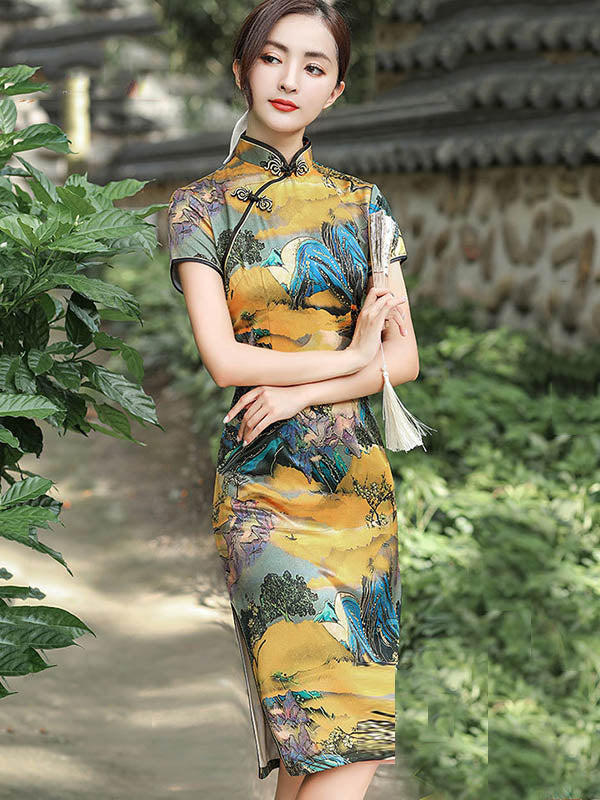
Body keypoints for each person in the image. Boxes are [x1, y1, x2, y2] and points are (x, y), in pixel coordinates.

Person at [166, 2, 420, 798]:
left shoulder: (365, 206)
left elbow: (403, 359)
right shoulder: (199, 206)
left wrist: (303, 387)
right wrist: (350, 354)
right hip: (265, 496)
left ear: (335, 90)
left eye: (314, 66)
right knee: (333, 740)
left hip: (357, 493)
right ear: (242, 68)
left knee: (335, 744)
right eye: (273, 58)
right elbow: (223, 360)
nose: (289, 79)